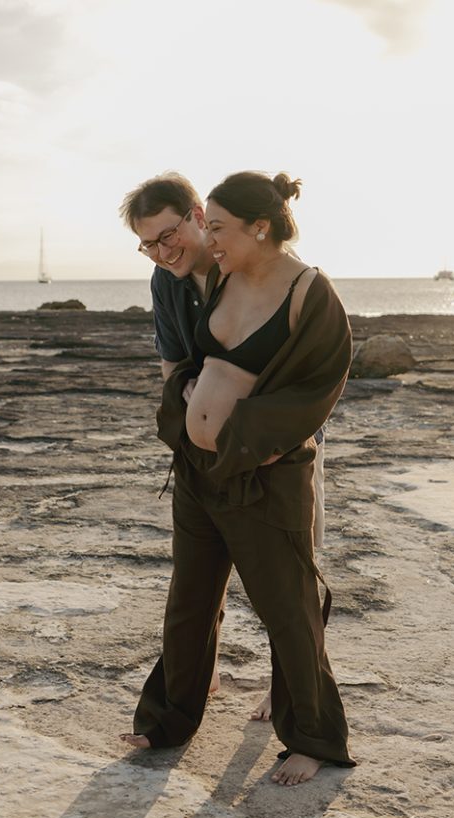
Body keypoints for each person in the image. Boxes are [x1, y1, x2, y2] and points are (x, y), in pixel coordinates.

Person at [119, 170, 355, 784]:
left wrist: (266, 441)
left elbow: (322, 378)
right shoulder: (204, 280)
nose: (208, 240)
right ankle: (168, 719)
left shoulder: (305, 289)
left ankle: (311, 736)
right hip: (199, 468)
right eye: (149, 244)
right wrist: (186, 409)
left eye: (215, 228)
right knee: (190, 598)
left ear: (257, 227)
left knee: (287, 602)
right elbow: (187, 362)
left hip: (262, 469)